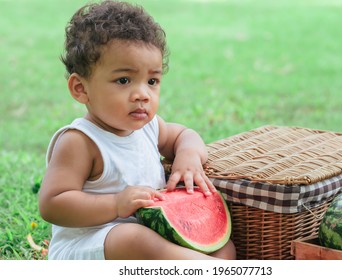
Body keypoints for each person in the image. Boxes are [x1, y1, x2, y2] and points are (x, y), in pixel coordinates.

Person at [38, 0, 235, 260]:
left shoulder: (149, 127)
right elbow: (52, 204)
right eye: (123, 80)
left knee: (224, 246)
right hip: (89, 246)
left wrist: (189, 157)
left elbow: (185, 135)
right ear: (80, 88)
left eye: (152, 81)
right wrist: (115, 204)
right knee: (135, 239)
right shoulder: (80, 141)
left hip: (148, 240)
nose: (142, 94)